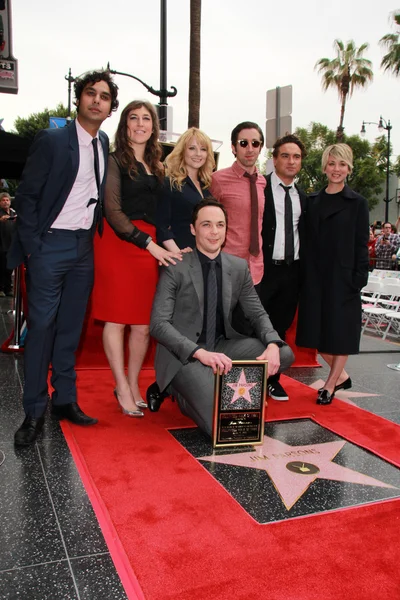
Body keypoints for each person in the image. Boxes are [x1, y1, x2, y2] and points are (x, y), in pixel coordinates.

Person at [8, 70, 119, 446]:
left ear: (109, 108)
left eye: (104, 97)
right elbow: (26, 197)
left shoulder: (103, 142)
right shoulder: (52, 140)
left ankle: (64, 400)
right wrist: (35, 247)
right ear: (79, 98)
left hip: (83, 247)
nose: (96, 101)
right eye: (91, 93)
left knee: (71, 328)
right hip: (49, 246)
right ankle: (33, 411)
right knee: (42, 328)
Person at [150, 199, 294, 436]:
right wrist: (199, 353)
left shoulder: (238, 267)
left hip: (221, 346)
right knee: (223, 426)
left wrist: (271, 343)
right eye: (206, 225)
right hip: (186, 355)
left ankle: (219, 385)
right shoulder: (176, 266)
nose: (214, 232)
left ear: (227, 229)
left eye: (220, 225)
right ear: (193, 229)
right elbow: (158, 324)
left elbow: (256, 312)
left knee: (283, 353)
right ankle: (179, 391)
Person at [92, 100, 182, 417]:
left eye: (146, 118)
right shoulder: (115, 160)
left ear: (153, 128)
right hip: (118, 243)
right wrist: (150, 244)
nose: (141, 123)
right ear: (125, 125)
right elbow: (113, 211)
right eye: (134, 117)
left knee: (143, 326)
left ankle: (131, 383)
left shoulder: (158, 166)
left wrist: (169, 246)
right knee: (116, 319)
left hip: (148, 247)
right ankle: (121, 385)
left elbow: (161, 217)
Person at [296, 143, 369, 405]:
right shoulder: (312, 201)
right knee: (315, 334)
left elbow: (361, 244)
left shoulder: (358, 203)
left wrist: (359, 278)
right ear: (325, 166)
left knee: (340, 334)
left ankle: (330, 384)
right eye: (332, 163)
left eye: (342, 164)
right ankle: (342, 375)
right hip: (315, 278)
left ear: (349, 168)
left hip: (344, 279)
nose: (336, 169)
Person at [259, 134, 307, 401]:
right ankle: (250, 376)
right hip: (264, 270)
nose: (291, 161)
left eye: (296, 156)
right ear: (274, 159)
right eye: (285, 155)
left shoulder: (302, 196)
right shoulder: (260, 187)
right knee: (255, 324)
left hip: (291, 272)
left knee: (281, 326)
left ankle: (273, 379)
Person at [210, 121, 266, 287]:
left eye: (255, 143)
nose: (250, 149)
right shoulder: (217, 180)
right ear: (234, 148)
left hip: (256, 270)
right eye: (243, 143)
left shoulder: (262, 182)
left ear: (260, 148)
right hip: (226, 269)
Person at [157, 127, 215, 251]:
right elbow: (161, 226)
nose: (198, 153)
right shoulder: (170, 183)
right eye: (192, 148)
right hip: (180, 257)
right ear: (182, 151)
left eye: (203, 149)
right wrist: (178, 255)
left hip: (202, 257)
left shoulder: (207, 187)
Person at [0, 192, 16, 297]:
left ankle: (8, 287)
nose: (6, 202)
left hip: (11, 244)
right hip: (1, 243)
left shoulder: (13, 212)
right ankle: (0, 288)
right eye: (3, 200)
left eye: (7, 200)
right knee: (1, 267)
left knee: (9, 267)